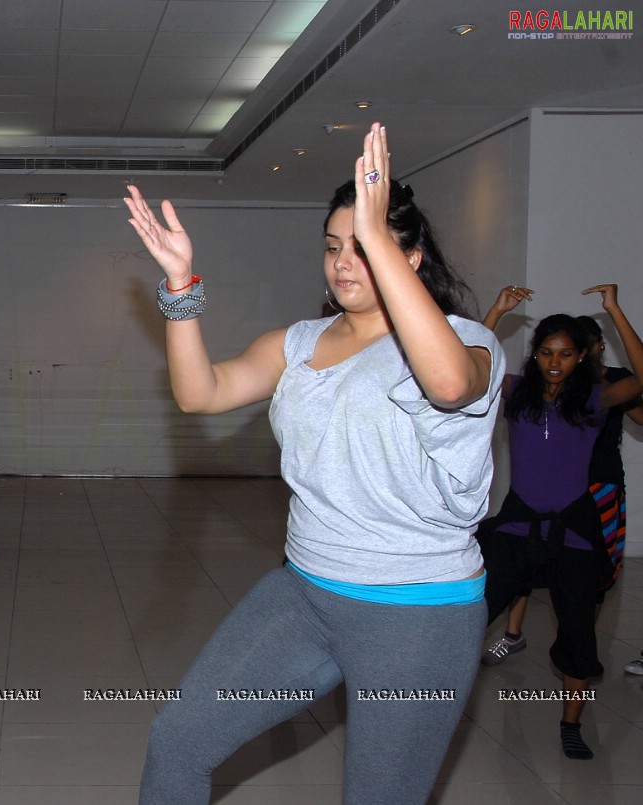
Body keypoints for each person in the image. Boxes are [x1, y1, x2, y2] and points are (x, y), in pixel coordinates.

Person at [124, 122, 505, 805]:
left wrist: (375, 238)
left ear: (409, 257)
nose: (342, 263)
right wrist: (180, 285)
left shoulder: (464, 342)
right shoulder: (296, 344)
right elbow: (199, 392)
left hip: (416, 615)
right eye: (333, 247)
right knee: (178, 738)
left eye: (364, 248)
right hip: (303, 593)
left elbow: (448, 386)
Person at [477, 289, 643, 759]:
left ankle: (571, 722)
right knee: (470, 619)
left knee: (578, 634)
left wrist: (614, 311)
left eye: (566, 354)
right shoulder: (513, 392)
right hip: (517, 525)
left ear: (581, 356)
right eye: (547, 352)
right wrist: (496, 311)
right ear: (535, 355)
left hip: (575, 527)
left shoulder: (594, 399)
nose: (555, 362)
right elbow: (470, 365)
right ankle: (431, 706)